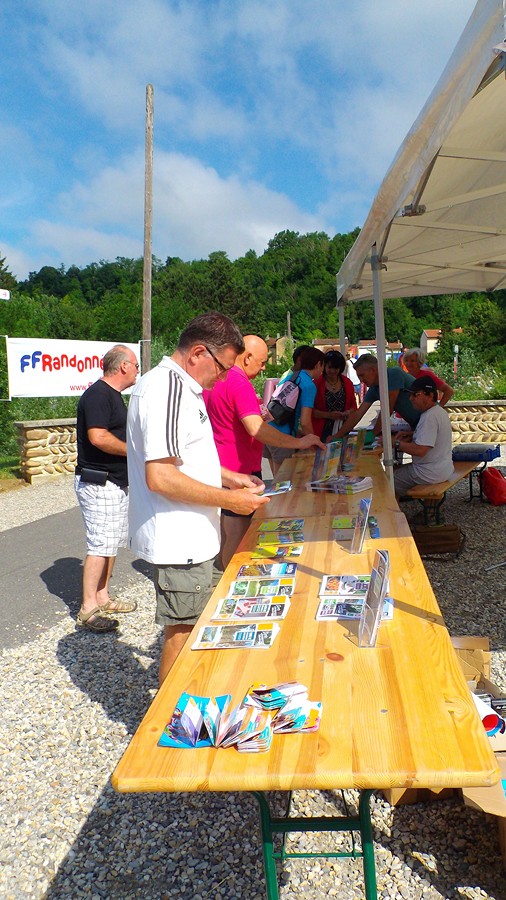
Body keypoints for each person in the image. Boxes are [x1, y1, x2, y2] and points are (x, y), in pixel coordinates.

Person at [127, 312, 269, 685]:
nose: (223, 377)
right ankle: (167, 723)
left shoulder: (182, 387)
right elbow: (160, 476)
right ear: (198, 353)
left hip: (192, 535)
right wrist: (229, 499)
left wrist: (231, 477)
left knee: (194, 624)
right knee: (183, 634)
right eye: (222, 367)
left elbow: (185, 458)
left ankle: (183, 705)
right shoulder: (168, 389)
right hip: (180, 537)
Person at [204, 335, 325, 568]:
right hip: (239, 469)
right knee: (238, 534)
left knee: (227, 529)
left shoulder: (216, 379)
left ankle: (224, 569)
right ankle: (231, 579)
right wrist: (299, 442)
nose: (263, 368)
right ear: (246, 357)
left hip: (221, 465)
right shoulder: (239, 382)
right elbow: (256, 428)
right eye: (261, 362)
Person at [75, 344, 139, 633]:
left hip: (112, 480)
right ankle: (88, 608)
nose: (138, 370)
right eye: (136, 365)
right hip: (99, 480)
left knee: (111, 542)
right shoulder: (98, 395)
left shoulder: (111, 395)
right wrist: (134, 451)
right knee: (100, 544)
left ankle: (102, 596)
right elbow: (98, 437)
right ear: (123, 366)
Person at [263, 347, 325, 475]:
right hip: (282, 436)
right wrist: (314, 443)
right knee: (283, 484)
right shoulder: (309, 385)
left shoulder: (291, 376)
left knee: (276, 482)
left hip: (267, 430)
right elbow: (305, 421)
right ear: (318, 364)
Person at [334, 353, 420, 440]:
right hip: (417, 424)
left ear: (373, 370)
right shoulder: (374, 388)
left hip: (428, 420)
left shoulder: (394, 374)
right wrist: (337, 436)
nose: (361, 380)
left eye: (362, 375)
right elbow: (357, 414)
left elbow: (387, 409)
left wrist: (373, 434)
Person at [393, 375, 454, 496]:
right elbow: (433, 435)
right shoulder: (439, 411)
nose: (410, 398)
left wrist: (395, 443)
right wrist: (412, 434)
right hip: (444, 468)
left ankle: (396, 514)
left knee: (387, 480)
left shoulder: (429, 417)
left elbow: (421, 450)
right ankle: (429, 511)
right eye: (410, 394)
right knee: (396, 471)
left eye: (416, 395)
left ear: (430, 395)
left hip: (428, 473)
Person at [312, 350, 356, 441]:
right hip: (321, 431)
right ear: (324, 366)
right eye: (330, 367)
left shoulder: (347, 383)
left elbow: (354, 406)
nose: (332, 371)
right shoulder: (316, 384)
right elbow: (309, 411)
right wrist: (328, 415)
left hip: (344, 430)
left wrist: (348, 412)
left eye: (336, 368)